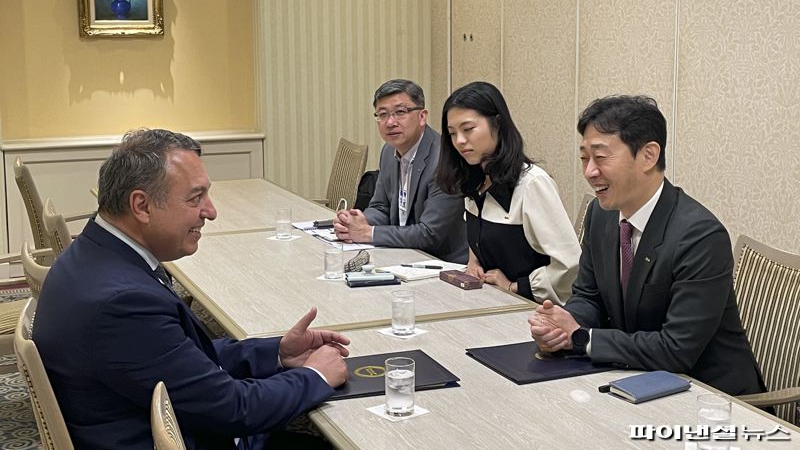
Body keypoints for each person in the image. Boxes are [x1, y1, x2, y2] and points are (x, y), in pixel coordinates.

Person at [33, 129, 350, 450]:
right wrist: (314, 376)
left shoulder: (95, 254)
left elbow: (181, 357)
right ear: (141, 205)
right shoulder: (123, 303)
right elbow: (233, 409)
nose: (211, 211)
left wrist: (279, 352)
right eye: (195, 198)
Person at [529, 95, 764, 396]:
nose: (589, 172)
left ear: (648, 156)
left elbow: (676, 349)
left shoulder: (700, 235)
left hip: (710, 398)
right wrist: (563, 325)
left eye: (600, 157)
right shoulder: (601, 215)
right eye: (584, 158)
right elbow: (588, 297)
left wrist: (581, 339)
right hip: (634, 379)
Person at [435, 81, 580, 303]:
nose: (460, 141)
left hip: (534, 312)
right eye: (452, 133)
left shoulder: (532, 184)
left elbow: (570, 265)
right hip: (489, 302)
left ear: (498, 124)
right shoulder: (474, 179)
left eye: (468, 129)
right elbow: (479, 239)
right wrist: (474, 264)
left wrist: (515, 286)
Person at [334, 79, 468, 263]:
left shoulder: (445, 159)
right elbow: (381, 207)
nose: (390, 122)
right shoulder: (389, 151)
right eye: (382, 114)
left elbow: (430, 234)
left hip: (442, 262)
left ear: (422, 117)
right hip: (403, 255)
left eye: (400, 112)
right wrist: (356, 220)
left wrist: (368, 233)